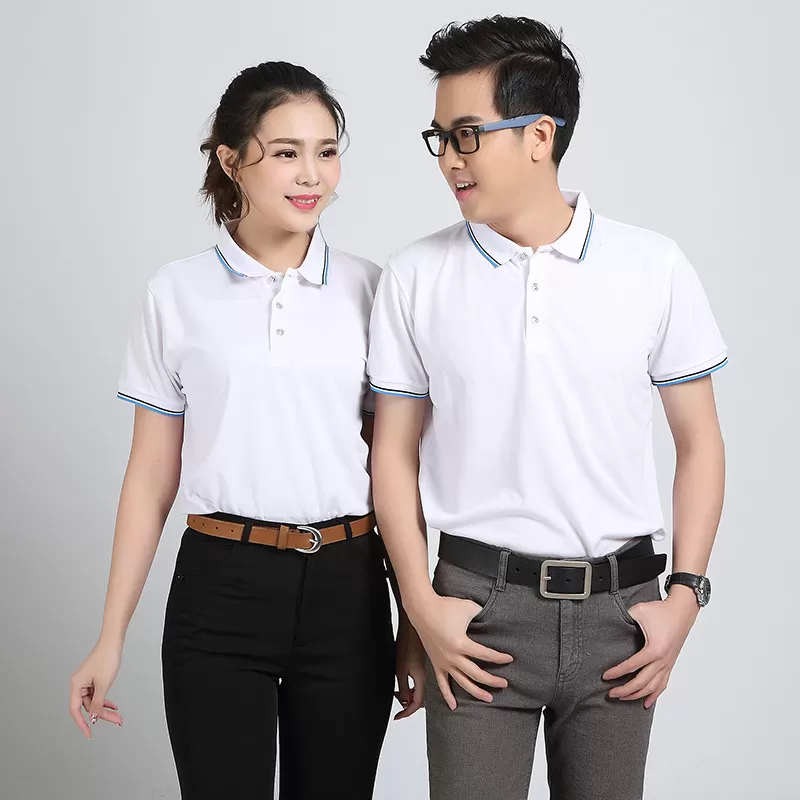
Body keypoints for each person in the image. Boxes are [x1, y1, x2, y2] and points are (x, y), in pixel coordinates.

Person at [367, 16, 727, 800]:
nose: (450, 159)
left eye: (467, 135)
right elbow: (392, 452)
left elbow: (699, 442)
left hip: (621, 616)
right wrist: (420, 606)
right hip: (475, 612)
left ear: (540, 135)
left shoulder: (652, 266)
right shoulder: (415, 276)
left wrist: (685, 597)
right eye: (440, 138)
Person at [69, 60, 423, 799]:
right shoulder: (176, 292)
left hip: (349, 589)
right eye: (286, 152)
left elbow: (397, 468)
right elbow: (149, 477)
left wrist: (413, 625)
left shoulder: (373, 290)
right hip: (220, 589)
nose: (312, 174)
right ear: (231, 160)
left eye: (327, 151)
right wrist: (110, 636)